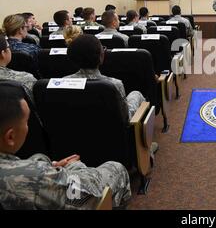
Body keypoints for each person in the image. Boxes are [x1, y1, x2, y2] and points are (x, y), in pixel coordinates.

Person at [0, 84, 131, 209]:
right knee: (116, 169)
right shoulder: (34, 177)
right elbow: (87, 193)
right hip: (73, 191)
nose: (28, 126)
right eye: (27, 121)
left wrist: (49, 166)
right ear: (10, 137)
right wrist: (75, 168)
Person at [64, 35, 158, 157]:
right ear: (101, 56)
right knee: (137, 95)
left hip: (76, 142)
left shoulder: (62, 82)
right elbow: (126, 119)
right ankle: (146, 149)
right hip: (115, 142)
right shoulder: (113, 84)